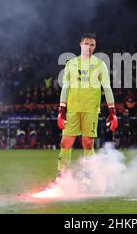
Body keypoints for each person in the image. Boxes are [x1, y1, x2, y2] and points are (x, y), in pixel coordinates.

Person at [56, 33, 118, 176]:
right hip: (72, 110)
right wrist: (62, 109)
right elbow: (65, 87)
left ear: (95, 47)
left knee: (88, 143)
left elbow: (107, 87)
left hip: (91, 110)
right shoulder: (71, 64)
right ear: (80, 44)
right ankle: (62, 175)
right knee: (65, 142)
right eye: (86, 44)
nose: (89, 47)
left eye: (92, 45)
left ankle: (88, 176)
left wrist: (112, 111)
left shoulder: (100, 64)